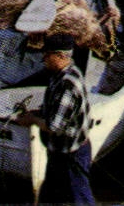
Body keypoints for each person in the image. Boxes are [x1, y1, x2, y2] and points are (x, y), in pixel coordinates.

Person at [13, 33, 93, 205]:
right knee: (51, 197)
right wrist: (37, 112)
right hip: (59, 150)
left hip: (71, 153)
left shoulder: (68, 85)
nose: (43, 58)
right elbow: (58, 110)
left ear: (61, 56)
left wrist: (32, 120)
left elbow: (54, 127)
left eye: (47, 54)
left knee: (80, 198)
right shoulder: (64, 72)